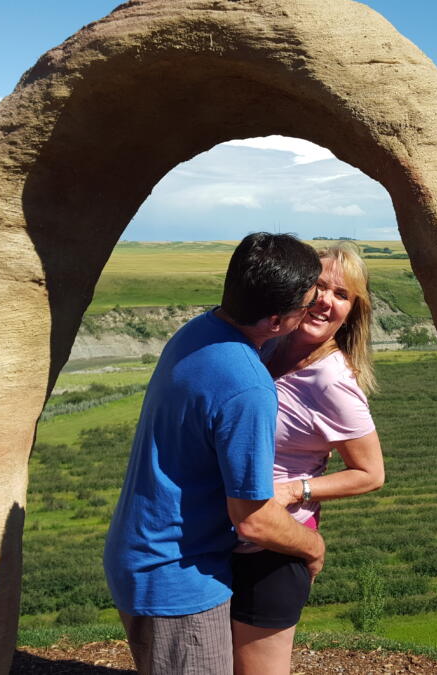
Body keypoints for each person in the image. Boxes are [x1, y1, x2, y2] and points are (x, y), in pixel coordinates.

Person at [103, 232, 326, 675]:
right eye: (308, 304)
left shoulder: (200, 331)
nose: (315, 308)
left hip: (144, 555)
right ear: (278, 321)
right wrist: (312, 545)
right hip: (178, 579)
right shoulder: (247, 385)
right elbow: (254, 517)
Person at [230, 242, 386, 675]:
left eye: (341, 295)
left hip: (273, 547)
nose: (325, 301)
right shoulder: (266, 345)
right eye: (318, 286)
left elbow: (371, 474)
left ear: (353, 311)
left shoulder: (332, 382)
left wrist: (293, 489)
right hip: (225, 533)